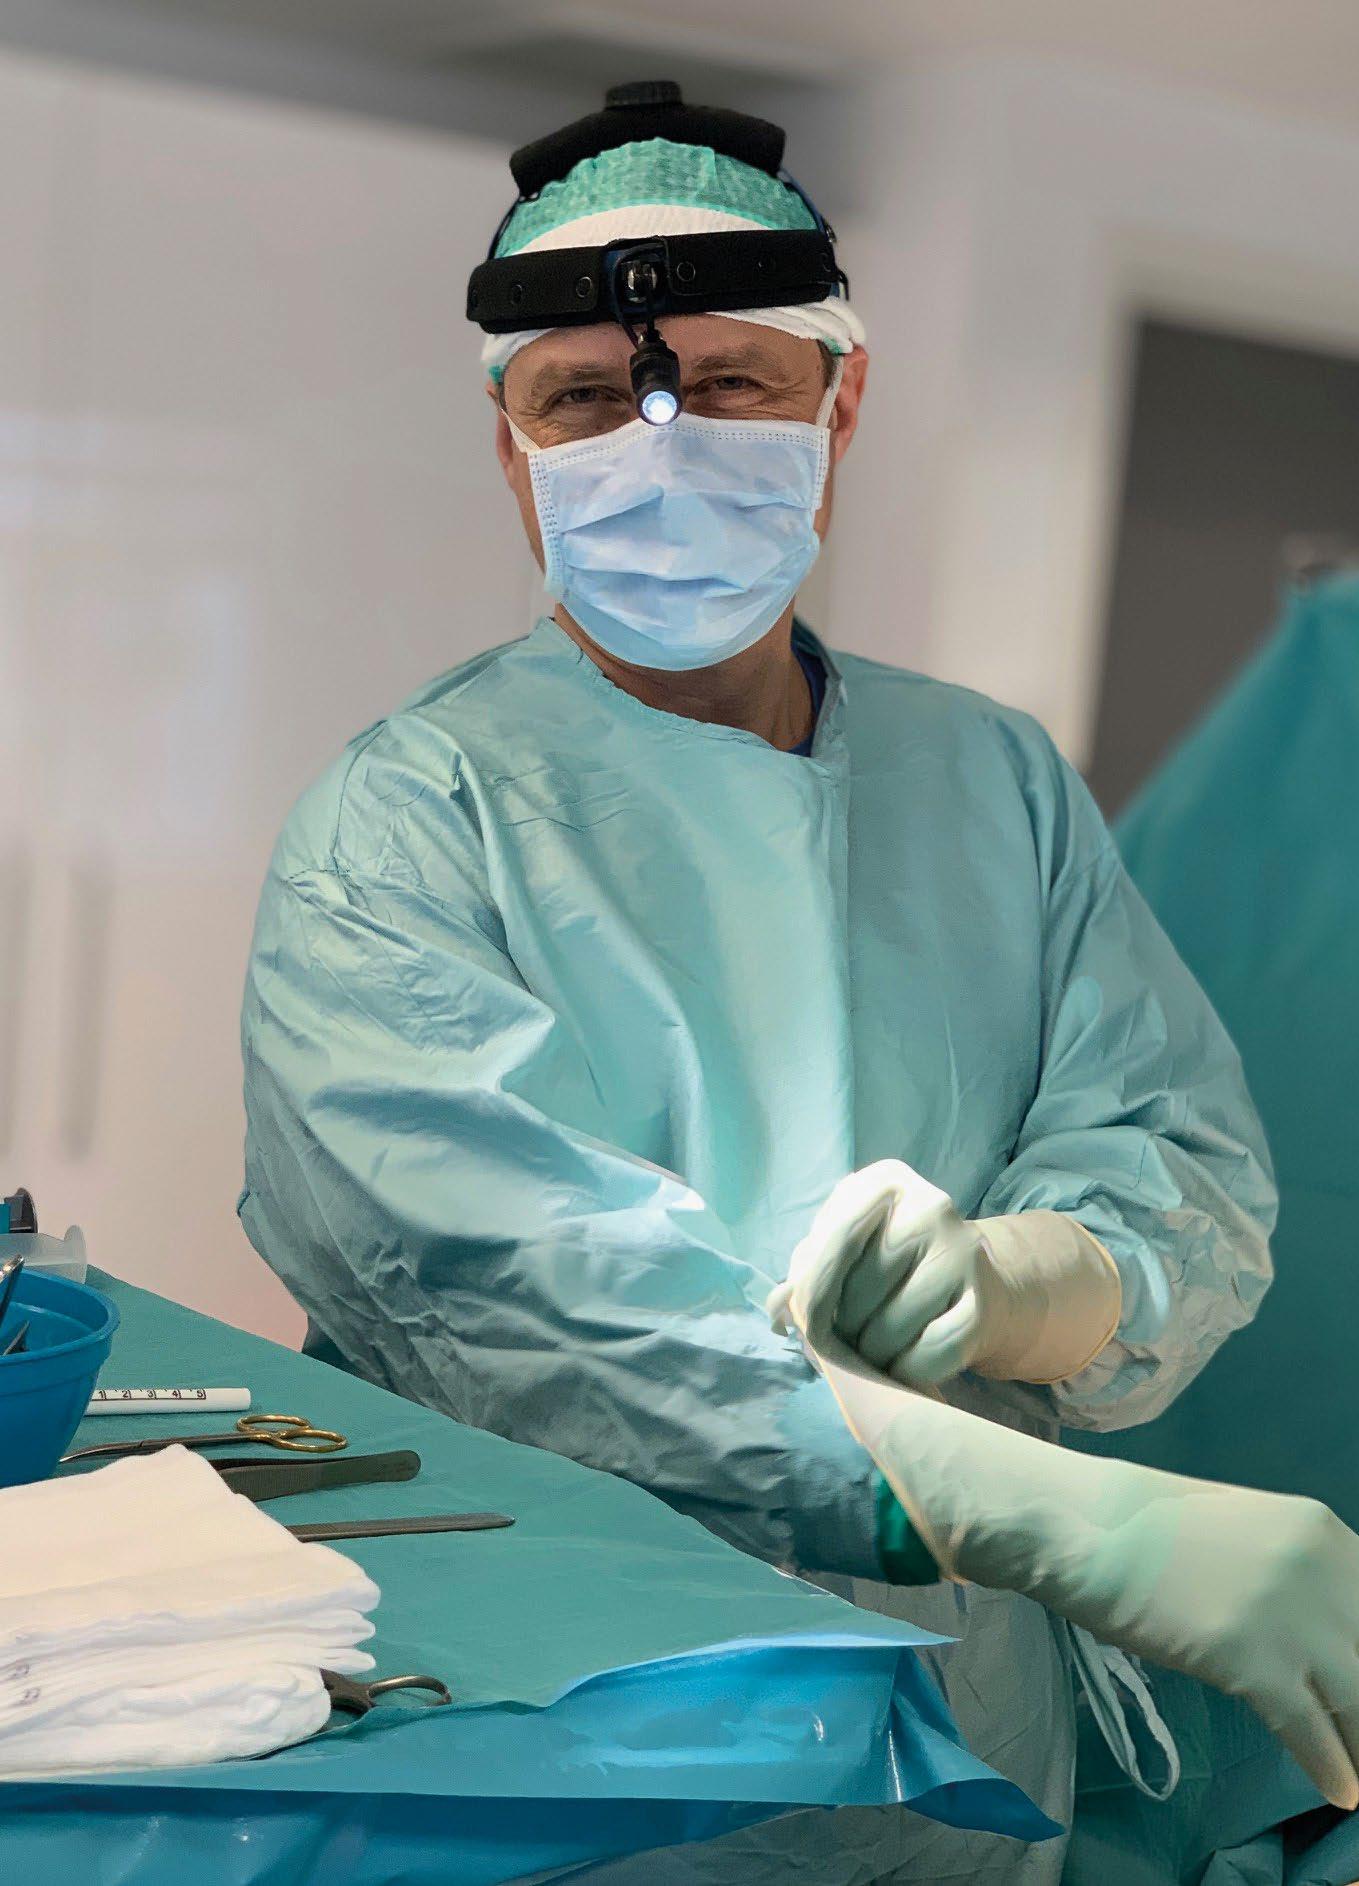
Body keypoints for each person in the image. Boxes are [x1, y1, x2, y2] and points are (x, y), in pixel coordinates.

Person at [239, 83, 1281, 1881]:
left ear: (840, 401)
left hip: (964, 1732)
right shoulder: (403, 827)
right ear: (510, 443)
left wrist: (1038, 1280)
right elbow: (510, 1308)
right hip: (566, 1736)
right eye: (584, 398)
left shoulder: (995, 783)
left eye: (729, 382)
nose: (658, 445)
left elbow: (1173, 1145)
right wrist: (1034, 1508)